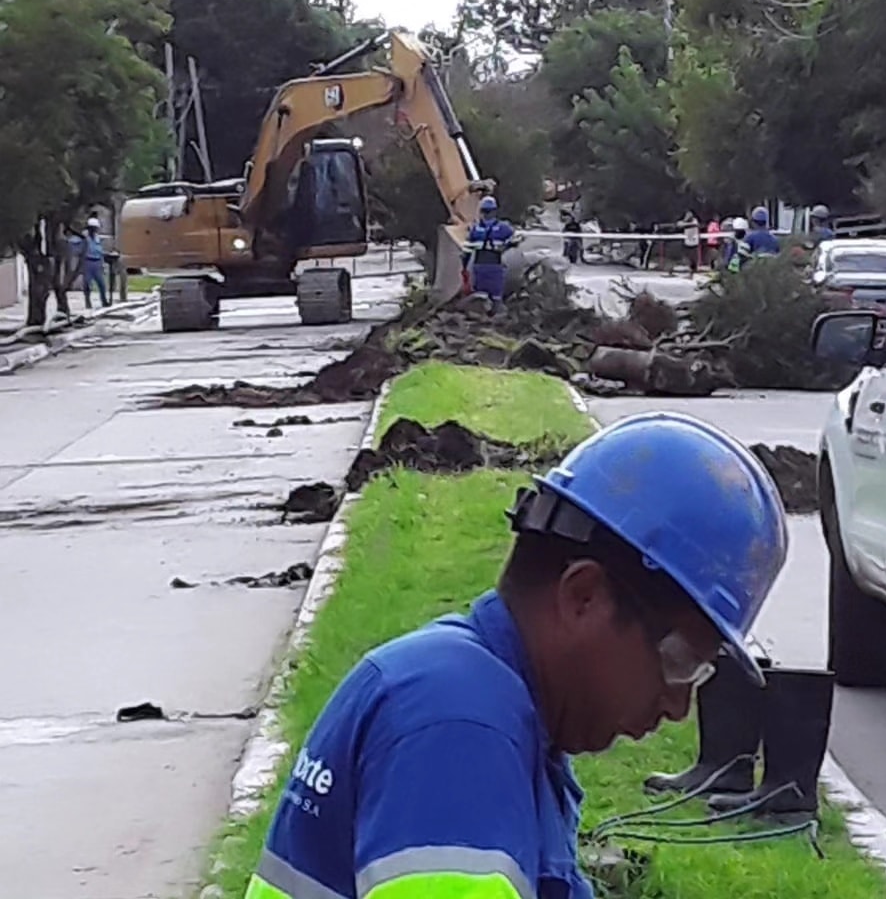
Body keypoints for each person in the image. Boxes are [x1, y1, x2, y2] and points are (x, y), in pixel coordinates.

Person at [243, 413, 789, 899]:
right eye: (680, 660)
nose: (677, 706)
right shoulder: (455, 726)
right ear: (584, 596)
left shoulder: (483, 703)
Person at [460, 195, 515, 309]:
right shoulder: (503, 228)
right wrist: (506, 246)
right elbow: (516, 239)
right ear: (495, 211)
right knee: (496, 298)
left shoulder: (475, 229)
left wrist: (464, 270)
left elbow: (466, 252)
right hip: (495, 266)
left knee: (480, 298)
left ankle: (481, 318)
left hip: (479, 267)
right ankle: (496, 319)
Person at [80, 215, 109, 308]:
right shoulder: (84, 237)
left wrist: (102, 263)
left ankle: (104, 301)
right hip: (88, 261)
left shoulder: (98, 238)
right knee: (87, 283)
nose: (95, 230)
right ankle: (87, 302)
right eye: (93, 228)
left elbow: (99, 250)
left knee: (101, 284)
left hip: (97, 261)